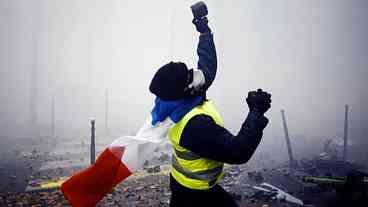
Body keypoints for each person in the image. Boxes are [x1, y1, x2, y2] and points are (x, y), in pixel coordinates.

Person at [149, 4, 271, 207]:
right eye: (190, 75)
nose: (195, 75)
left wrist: (204, 30)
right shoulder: (194, 125)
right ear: (186, 89)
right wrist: (256, 113)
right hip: (194, 195)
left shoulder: (174, 99)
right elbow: (238, 152)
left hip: (187, 185)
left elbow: (207, 67)